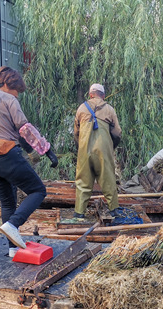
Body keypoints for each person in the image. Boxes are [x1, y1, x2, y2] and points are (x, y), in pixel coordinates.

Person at [0, 66, 48, 256]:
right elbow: (24, 128)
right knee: (38, 190)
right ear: (7, 84)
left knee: (7, 203)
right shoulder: (8, 99)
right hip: (6, 155)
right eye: (16, 91)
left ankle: (13, 249)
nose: (17, 95)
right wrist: (45, 148)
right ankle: (13, 224)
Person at [73, 83, 122, 219]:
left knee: (83, 180)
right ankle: (113, 210)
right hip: (103, 149)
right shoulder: (109, 109)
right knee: (108, 178)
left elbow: (76, 132)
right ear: (103, 96)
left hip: (84, 149)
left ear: (90, 94)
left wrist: (81, 147)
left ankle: (79, 212)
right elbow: (117, 133)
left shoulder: (82, 108)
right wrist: (111, 146)